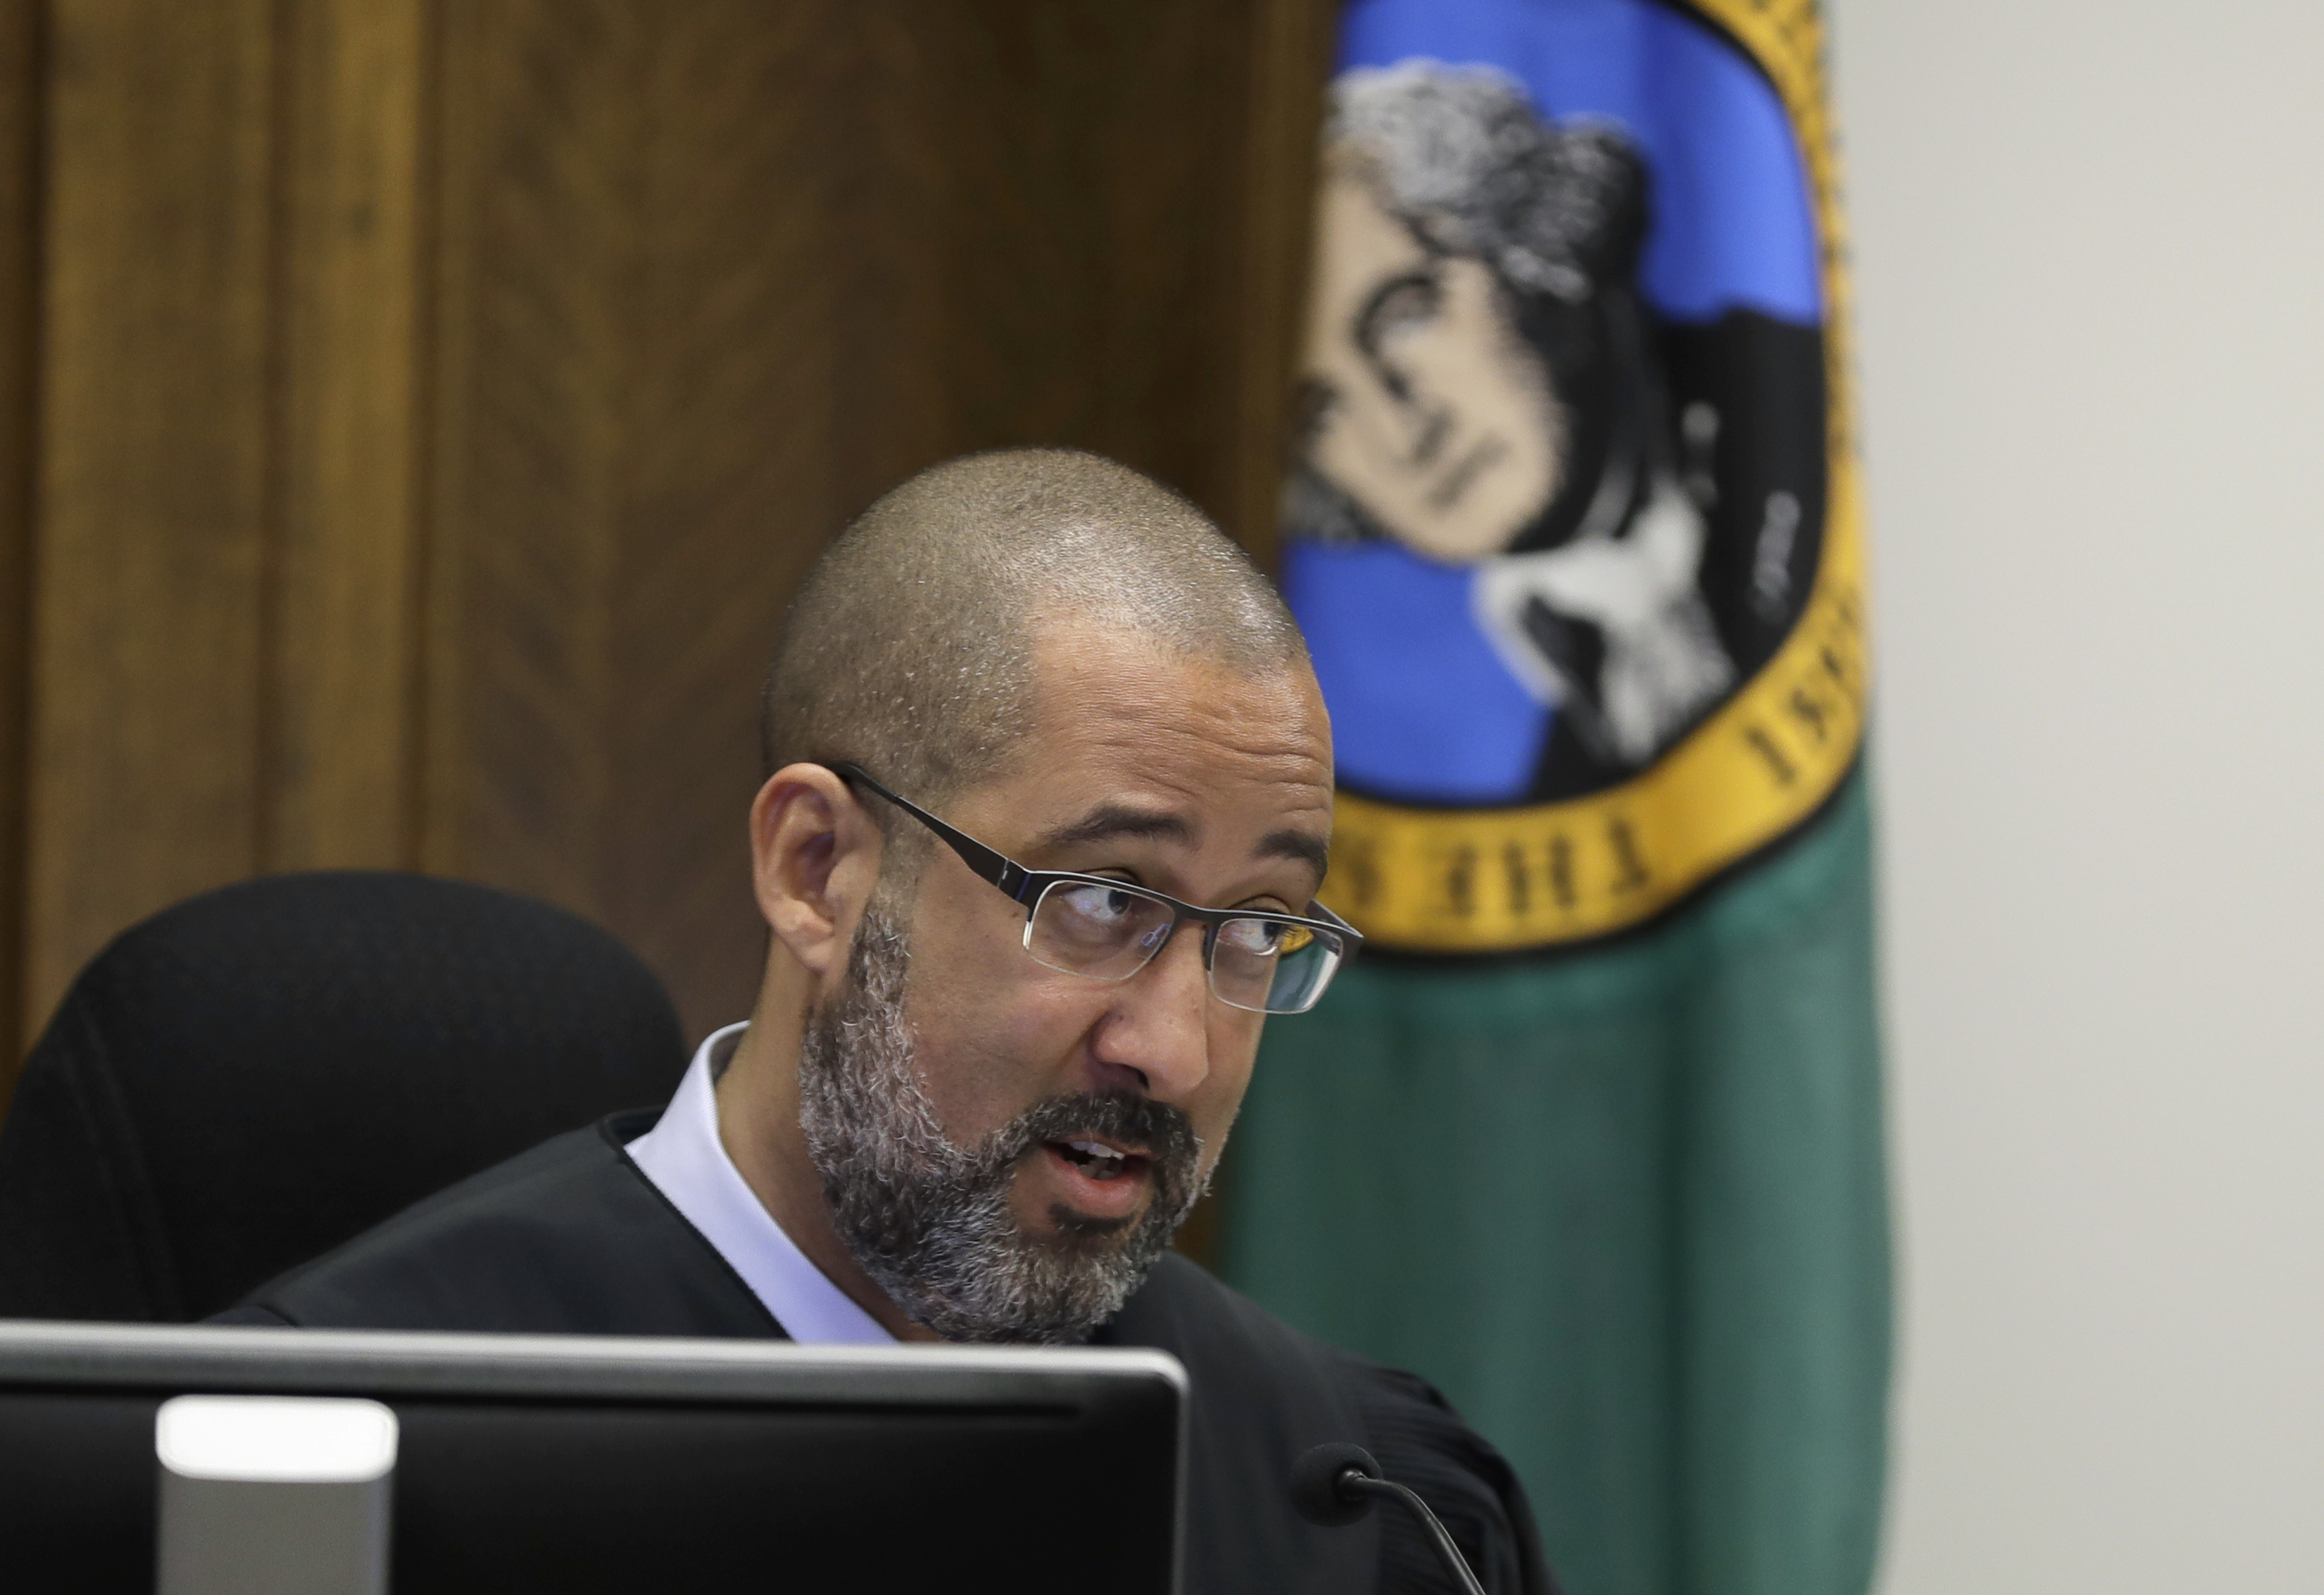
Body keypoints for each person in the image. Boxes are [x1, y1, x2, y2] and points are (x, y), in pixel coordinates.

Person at [218, 448, 1559, 1594]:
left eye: (1257, 928)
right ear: (816, 870)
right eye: (1102, 902)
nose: (1175, 1050)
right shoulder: (336, 1455)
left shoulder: (1348, 1497)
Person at [1286, 62, 1816, 802]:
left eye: (1405, 313)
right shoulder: (1535, 707)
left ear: (1536, 249)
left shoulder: (1800, 441)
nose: (1402, 427)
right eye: (1318, 411)